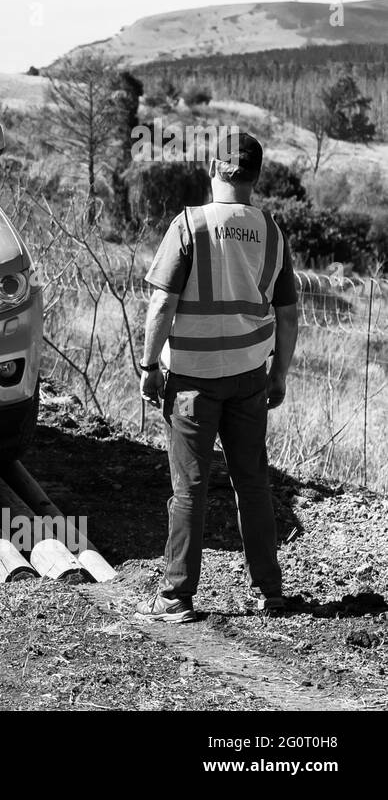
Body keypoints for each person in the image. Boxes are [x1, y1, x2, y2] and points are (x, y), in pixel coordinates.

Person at [135, 131, 298, 622]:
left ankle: (177, 596)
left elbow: (163, 302)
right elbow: (288, 316)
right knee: (253, 485)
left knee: (190, 488)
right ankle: (270, 592)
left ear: (215, 167)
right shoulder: (272, 231)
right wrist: (279, 375)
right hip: (249, 377)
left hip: (191, 381)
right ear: (256, 175)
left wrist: (148, 365)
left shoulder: (189, 226)